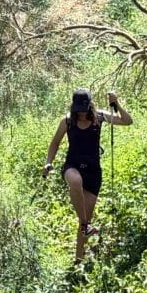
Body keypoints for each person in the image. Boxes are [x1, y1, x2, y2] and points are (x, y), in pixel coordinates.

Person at [43, 88, 133, 262]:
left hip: (93, 172)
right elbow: (54, 143)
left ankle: (78, 259)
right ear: (73, 108)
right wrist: (49, 162)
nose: (82, 114)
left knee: (85, 220)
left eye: (84, 110)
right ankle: (86, 225)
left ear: (90, 106)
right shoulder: (67, 121)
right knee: (75, 181)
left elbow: (127, 121)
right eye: (78, 110)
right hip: (72, 166)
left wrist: (116, 103)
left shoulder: (100, 117)